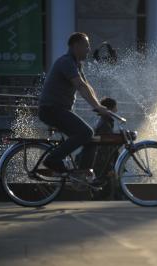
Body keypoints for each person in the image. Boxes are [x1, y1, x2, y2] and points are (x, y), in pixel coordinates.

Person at [38, 32, 110, 174]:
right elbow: (80, 86)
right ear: (76, 46)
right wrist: (96, 106)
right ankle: (53, 159)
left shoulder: (76, 65)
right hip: (52, 109)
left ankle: (82, 175)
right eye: (86, 46)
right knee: (87, 132)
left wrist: (99, 105)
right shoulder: (66, 62)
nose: (89, 49)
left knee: (90, 138)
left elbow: (86, 85)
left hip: (59, 110)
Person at [78, 97, 124, 200]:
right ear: (111, 109)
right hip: (102, 160)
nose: (117, 109)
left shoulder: (105, 121)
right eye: (115, 107)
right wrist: (110, 165)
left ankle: (104, 198)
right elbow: (105, 145)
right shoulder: (105, 123)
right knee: (105, 185)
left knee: (106, 185)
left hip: (101, 159)